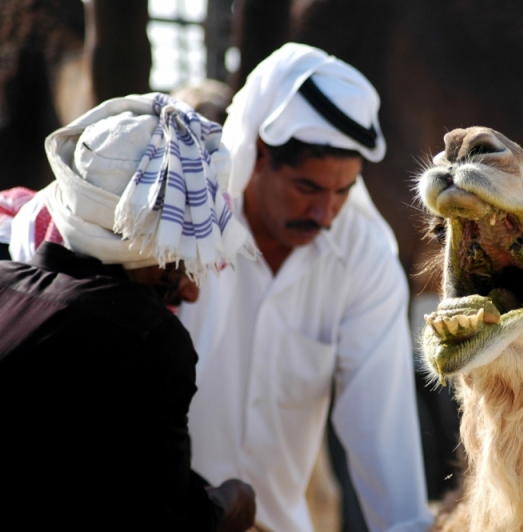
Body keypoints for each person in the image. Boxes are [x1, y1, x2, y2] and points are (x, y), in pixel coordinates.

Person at [178, 43, 432, 532]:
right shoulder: (188, 234)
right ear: (257, 155)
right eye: (307, 189)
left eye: (342, 192)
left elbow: (381, 428)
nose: (324, 214)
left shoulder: (363, 257)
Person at [0, 93, 258, 531]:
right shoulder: (147, 340)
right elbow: (174, 522)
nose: (191, 293)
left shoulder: (5, 282)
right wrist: (236, 500)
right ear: (141, 250)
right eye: (180, 264)